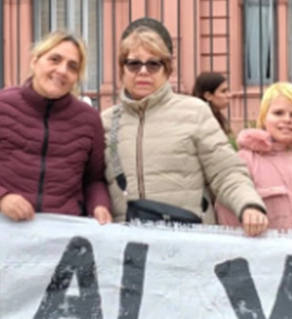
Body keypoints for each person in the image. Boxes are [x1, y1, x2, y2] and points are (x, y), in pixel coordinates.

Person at [102, 23, 268, 236]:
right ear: (121, 70)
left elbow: (226, 171)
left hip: (188, 242)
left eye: (153, 64)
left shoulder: (195, 112)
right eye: (133, 64)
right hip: (128, 248)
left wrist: (249, 205)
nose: (143, 71)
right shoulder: (106, 122)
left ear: (167, 70)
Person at [0, 32, 112, 223]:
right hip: (2, 233)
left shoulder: (89, 119)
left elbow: (94, 180)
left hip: (63, 239)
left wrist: (99, 205)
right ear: (35, 61)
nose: (62, 70)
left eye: (72, 66)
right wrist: (0, 198)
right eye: (54, 59)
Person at [217, 82, 292, 232]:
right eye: (278, 113)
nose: (287, 119)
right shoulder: (246, 161)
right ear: (264, 118)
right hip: (264, 254)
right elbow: (227, 212)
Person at [192, 72, 232, 136]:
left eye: (228, 90)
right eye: (223, 91)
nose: (229, 95)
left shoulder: (216, 116)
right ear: (208, 96)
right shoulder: (202, 119)